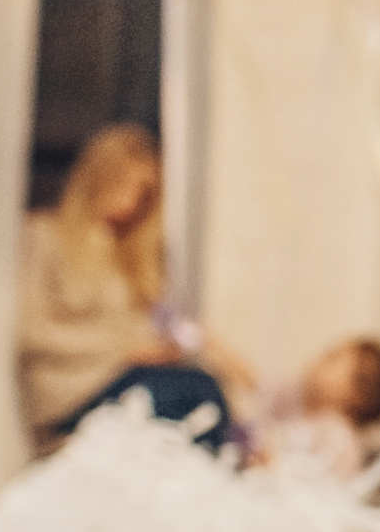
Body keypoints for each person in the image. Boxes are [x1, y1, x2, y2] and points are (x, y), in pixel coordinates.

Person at [16, 125, 253, 455]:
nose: (129, 203)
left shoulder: (130, 258)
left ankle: (242, 452)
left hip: (124, 381)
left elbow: (172, 328)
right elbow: (29, 331)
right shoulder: (44, 236)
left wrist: (205, 348)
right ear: (98, 178)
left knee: (204, 386)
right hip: (70, 390)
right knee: (197, 394)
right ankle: (236, 463)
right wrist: (122, 351)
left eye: (143, 195)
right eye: (122, 186)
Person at [248, 336, 380, 481]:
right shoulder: (303, 406)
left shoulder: (341, 438)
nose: (318, 360)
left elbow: (318, 485)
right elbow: (255, 382)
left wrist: (273, 464)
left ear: (355, 394)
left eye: (330, 359)